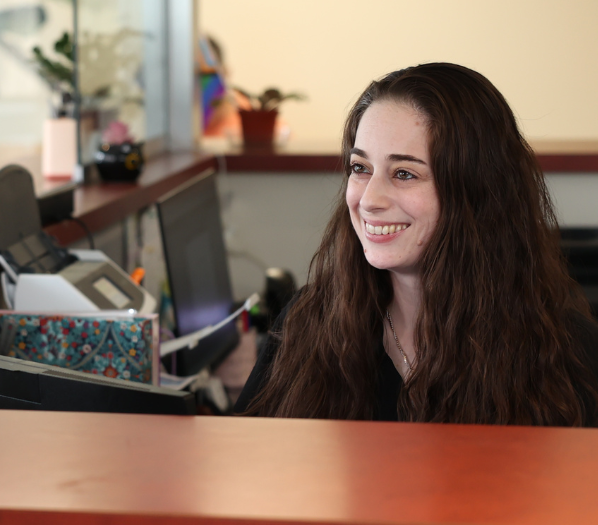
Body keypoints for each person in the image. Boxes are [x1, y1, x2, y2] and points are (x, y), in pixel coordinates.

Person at [235, 62, 598, 425]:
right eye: (360, 168)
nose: (369, 199)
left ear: (476, 192)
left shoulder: (566, 352)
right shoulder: (307, 322)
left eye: (404, 173)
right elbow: (247, 450)